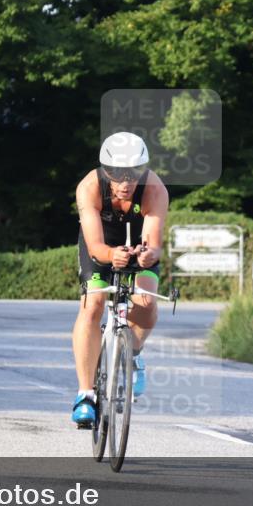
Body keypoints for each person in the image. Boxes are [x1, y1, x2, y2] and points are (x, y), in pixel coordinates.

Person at [71, 132, 168, 426]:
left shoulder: (154, 189)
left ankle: (133, 354)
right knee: (93, 305)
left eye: (134, 173)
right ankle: (86, 394)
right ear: (105, 170)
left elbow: (153, 241)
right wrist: (111, 255)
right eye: (117, 174)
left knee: (147, 301)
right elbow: (95, 246)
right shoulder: (89, 187)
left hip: (138, 244)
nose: (126, 182)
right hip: (101, 245)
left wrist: (148, 254)